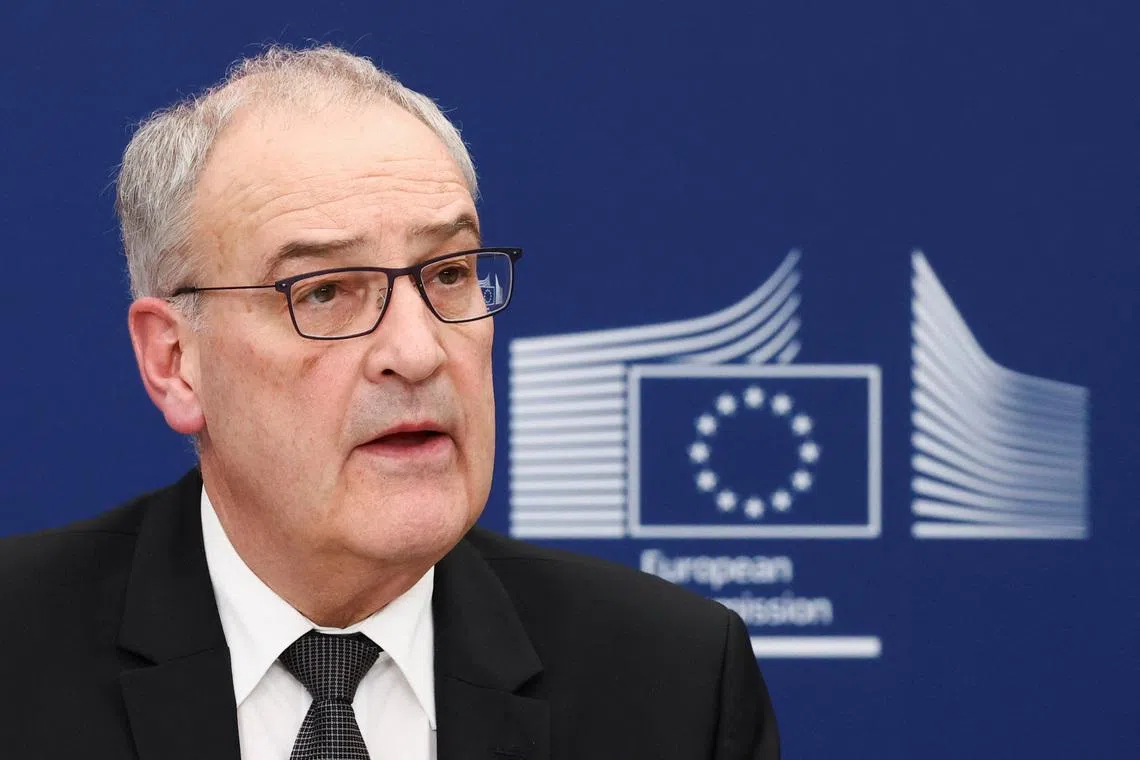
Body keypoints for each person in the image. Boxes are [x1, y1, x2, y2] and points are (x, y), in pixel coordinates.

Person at [0, 44, 779, 759]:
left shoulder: (671, 682)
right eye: (326, 291)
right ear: (175, 363)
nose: (417, 351)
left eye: (448, 274)